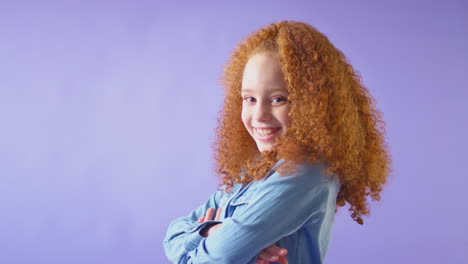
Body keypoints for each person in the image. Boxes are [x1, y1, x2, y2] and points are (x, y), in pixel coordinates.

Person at [163, 20, 391, 264]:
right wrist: (211, 231)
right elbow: (171, 236)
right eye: (249, 98)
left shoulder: (306, 174)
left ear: (313, 104)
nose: (259, 115)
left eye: (278, 99)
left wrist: (210, 239)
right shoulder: (256, 167)